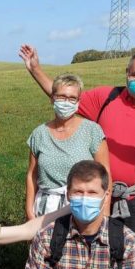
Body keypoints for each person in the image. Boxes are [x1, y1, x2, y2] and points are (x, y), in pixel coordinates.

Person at [19, 44, 135, 269]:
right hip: (93, 197)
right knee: (97, 256)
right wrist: (35, 69)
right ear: (126, 72)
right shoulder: (106, 98)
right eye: (134, 74)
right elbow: (63, 95)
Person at [25, 72, 109, 218]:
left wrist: (104, 212)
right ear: (52, 99)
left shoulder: (92, 131)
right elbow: (32, 175)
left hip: (82, 207)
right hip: (45, 209)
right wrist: (29, 212)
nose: (66, 102)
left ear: (78, 102)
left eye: (72, 98)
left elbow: (105, 174)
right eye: (61, 97)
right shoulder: (39, 134)